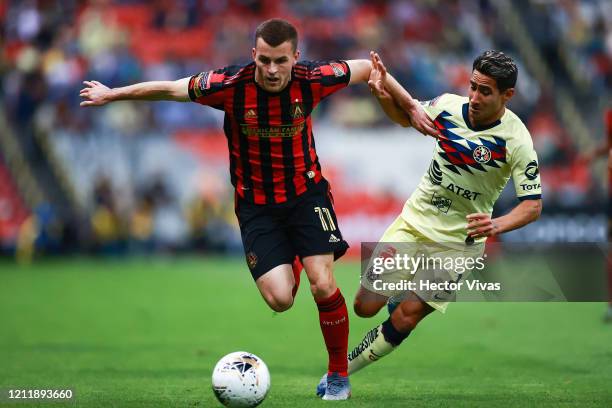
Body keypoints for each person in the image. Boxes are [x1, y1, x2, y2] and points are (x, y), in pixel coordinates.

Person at [79, 18, 435, 400]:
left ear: (295, 57)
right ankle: (295, 259)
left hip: (306, 197)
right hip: (256, 208)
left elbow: (368, 68)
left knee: (323, 283)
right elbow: (170, 88)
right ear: (254, 55)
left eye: (280, 61)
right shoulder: (228, 86)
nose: (271, 70)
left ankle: (337, 375)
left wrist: (410, 105)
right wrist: (113, 94)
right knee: (280, 299)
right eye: (264, 60)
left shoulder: (312, 78)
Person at [317, 50, 543, 396]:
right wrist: (381, 96)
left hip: (458, 244)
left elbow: (532, 205)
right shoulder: (448, 106)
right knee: (364, 307)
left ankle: (341, 374)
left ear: (507, 95)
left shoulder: (517, 140)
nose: (475, 97)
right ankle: (394, 299)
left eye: (485, 91)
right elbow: (406, 117)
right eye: (473, 86)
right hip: (414, 223)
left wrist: (496, 225)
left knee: (406, 316)